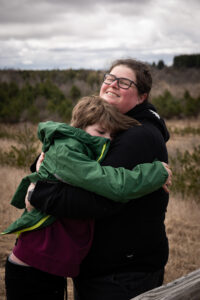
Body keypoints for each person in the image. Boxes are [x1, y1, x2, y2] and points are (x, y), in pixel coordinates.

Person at [27, 58, 171, 300]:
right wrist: (41, 166)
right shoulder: (110, 125)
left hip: (122, 272)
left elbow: (97, 198)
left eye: (124, 82)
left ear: (142, 96)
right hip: (106, 266)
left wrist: (38, 193)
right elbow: (67, 155)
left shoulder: (139, 136)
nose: (112, 85)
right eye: (109, 78)